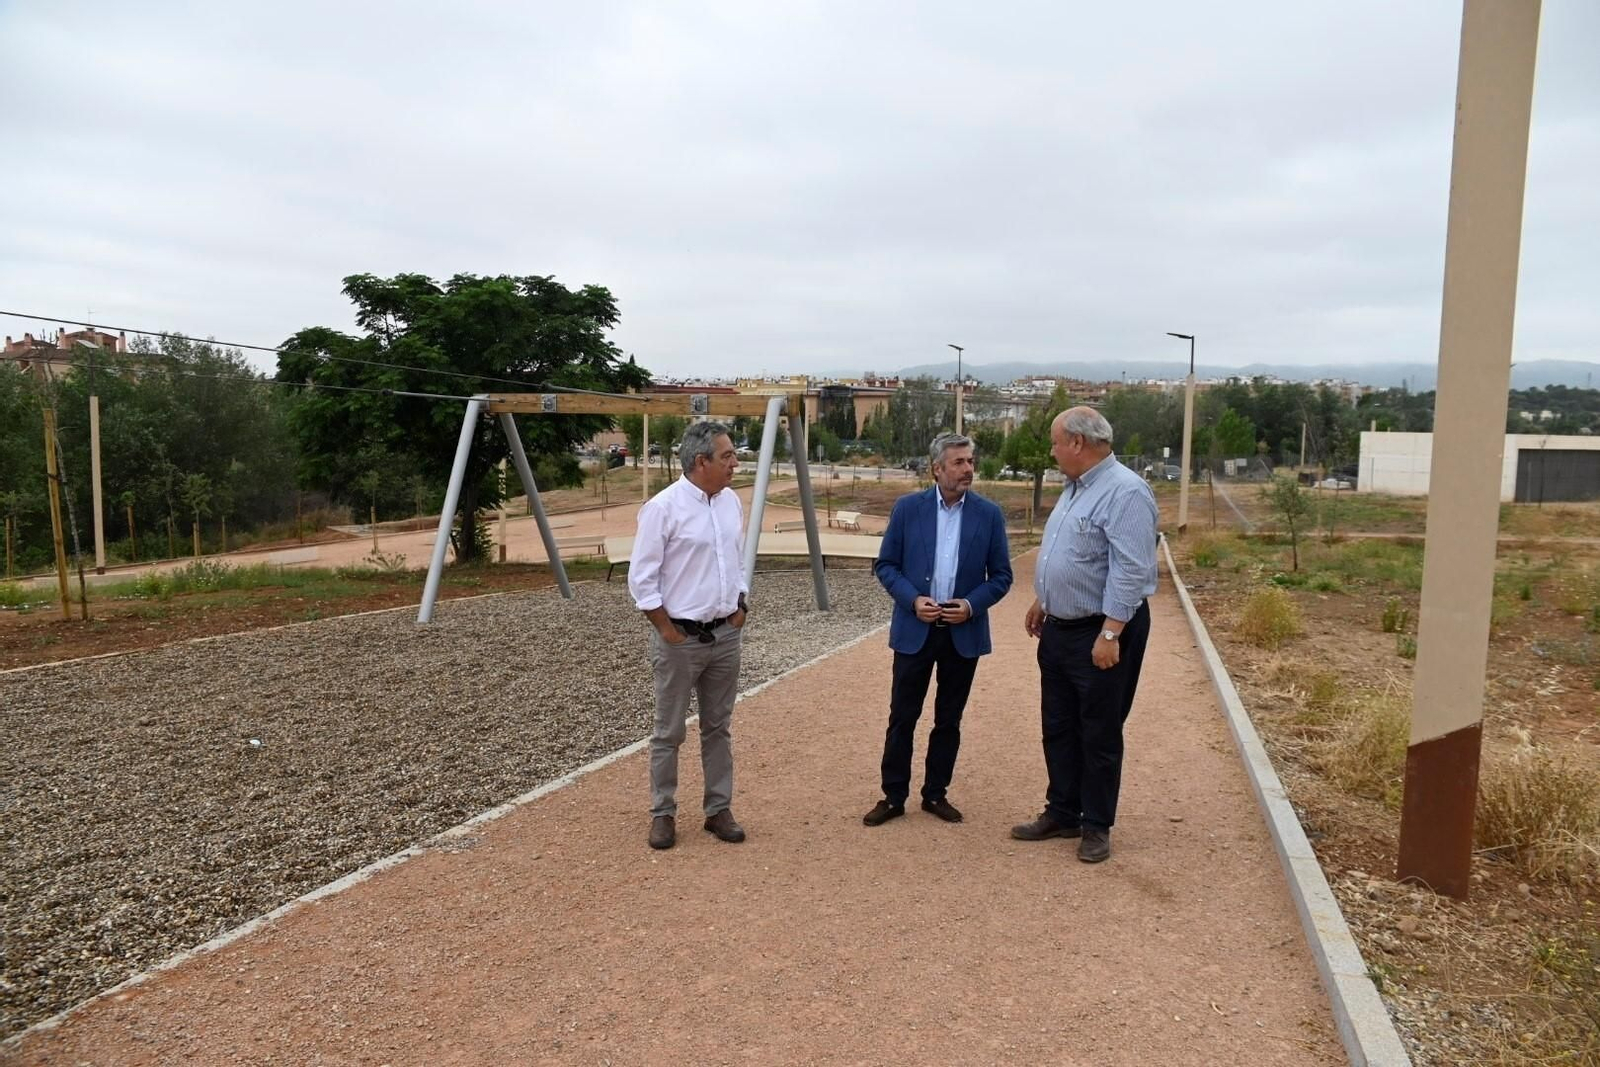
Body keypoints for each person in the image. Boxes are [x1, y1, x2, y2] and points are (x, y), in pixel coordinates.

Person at [1013, 407, 1158, 863]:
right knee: (1057, 726)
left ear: (1077, 443)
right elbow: (1070, 554)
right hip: (1060, 629)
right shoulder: (1076, 489)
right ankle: (1062, 811)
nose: (1052, 451)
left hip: (1102, 631)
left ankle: (1096, 825)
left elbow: (1132, 569)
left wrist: (1111, 633)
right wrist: (1045, 599)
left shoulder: (1126, 492)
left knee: (1097, 731)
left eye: (1056, 442)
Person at [864, 432, 1013, 827]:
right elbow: (886, 566)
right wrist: (913, 600)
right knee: (903, 716)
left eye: (971, 461)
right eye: (960, 462)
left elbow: (1001, 577)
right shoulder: (907, 509)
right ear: (937, 468)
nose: (969, 469)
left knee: (949, 719)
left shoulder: (989, 514)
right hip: (916, 629)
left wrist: (970, 605)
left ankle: (935, 794)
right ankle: (893, 796)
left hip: (962, 633)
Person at [628, 421, 750, 850]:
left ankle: (718, 809)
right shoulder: (664, 508)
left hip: (724, 636)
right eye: (728, 456)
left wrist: (740, 607)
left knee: (719, 727)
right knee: (669, 731)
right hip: (680, 639)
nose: (736, 463)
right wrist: (667, 630)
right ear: (702, 462)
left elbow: (735, 560)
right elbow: (642, 579)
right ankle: (663, 813)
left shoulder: (732, 502)